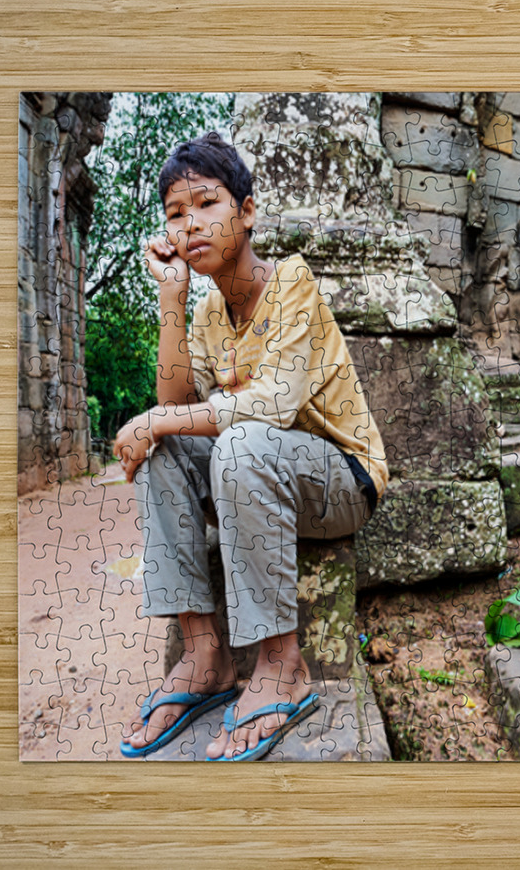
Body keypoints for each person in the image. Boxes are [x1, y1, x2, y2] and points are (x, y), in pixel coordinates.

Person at [111, 132, 387, 761]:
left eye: (207, 203)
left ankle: (281, 665)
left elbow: (272, 406)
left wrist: (158, 420)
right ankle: (203, 655)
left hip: (340, 480)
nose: (191, 224)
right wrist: (172, 298)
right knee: (164, 451)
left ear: (247, 211)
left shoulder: (292, 281)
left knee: (234, 439)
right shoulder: (207, 313)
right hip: (255, 474)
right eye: (176, 214)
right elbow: (177, 403)